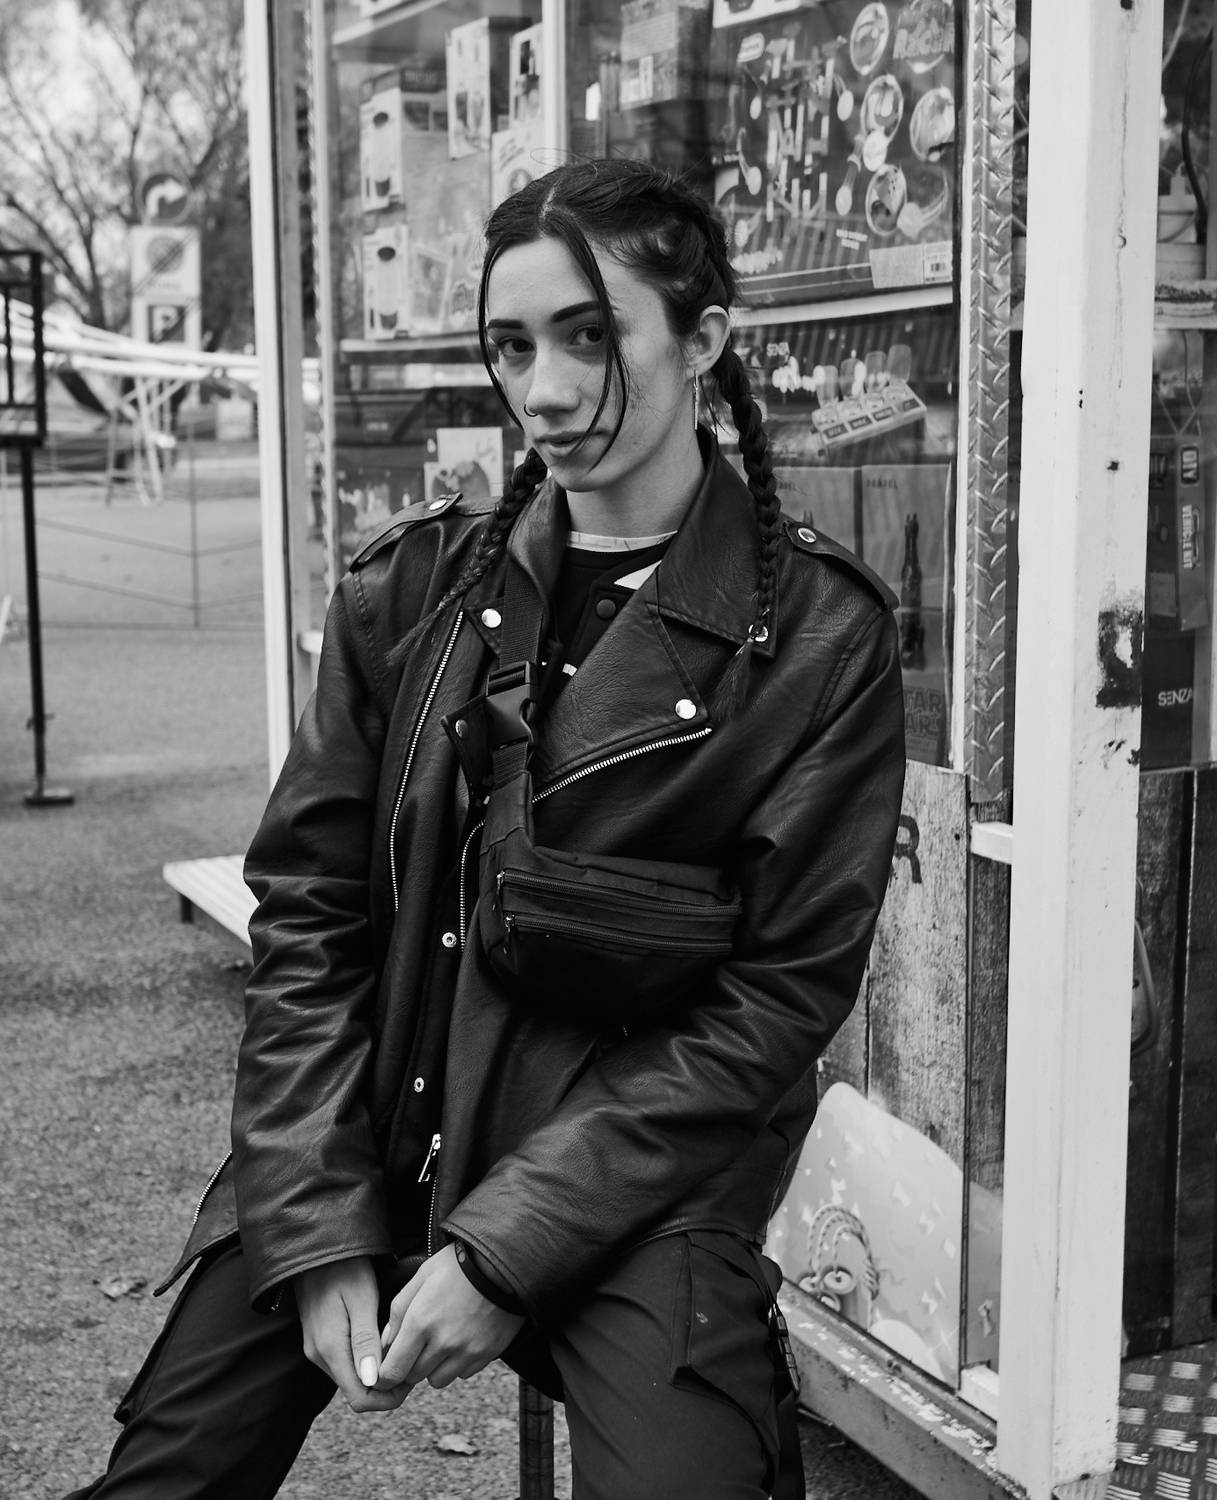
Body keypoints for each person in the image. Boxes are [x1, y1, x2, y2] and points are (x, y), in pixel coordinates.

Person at [65, 157, 906, 1500]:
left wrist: (507, 1249)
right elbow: (311, 916)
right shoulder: (411, 584)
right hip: (375, 1116)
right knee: (171, 1470)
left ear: (703, 341)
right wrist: (312, 1219)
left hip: (633, 1173)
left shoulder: (817, 636)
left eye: (589, 337)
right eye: (511, 346)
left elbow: (772, 1001)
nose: (544, 390)